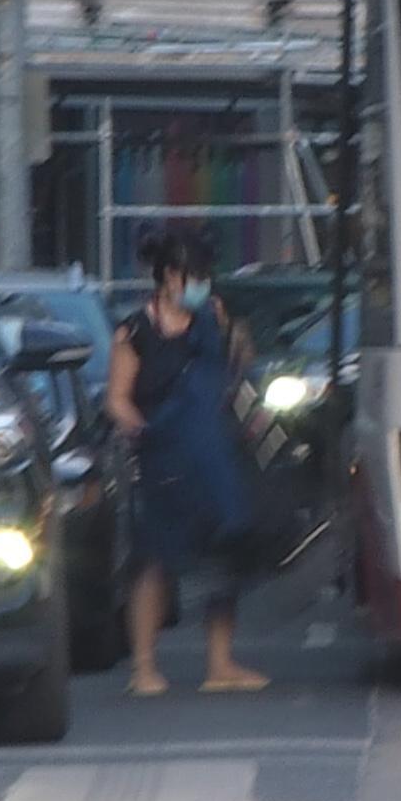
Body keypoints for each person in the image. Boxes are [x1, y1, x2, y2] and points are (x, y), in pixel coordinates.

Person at [104, 229, 267, 696]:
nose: (202, 286)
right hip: (166, 458)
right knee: (154, 559)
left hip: (215, 455)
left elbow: (237, 370)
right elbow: (117, 399)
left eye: (206, 278)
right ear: (170, 277)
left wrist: (239, 340)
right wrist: (143, 429)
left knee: (224, 554)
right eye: (194, 277)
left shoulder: (212, 318)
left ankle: (220, 663)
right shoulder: (134, 332)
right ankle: (145, 667)